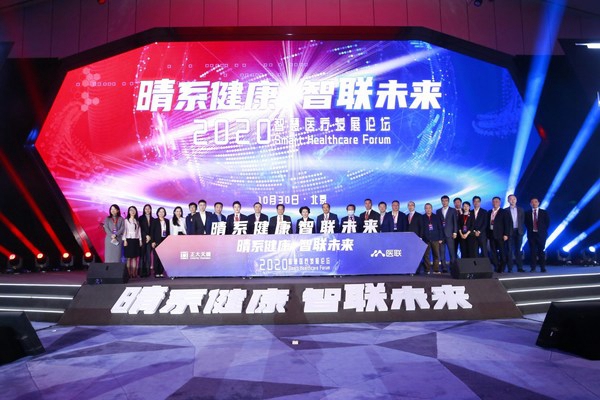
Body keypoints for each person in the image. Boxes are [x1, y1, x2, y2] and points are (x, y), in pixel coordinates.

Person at [524, 197, 549, 272]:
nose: (534, 203)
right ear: (530, 204)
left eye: (535, 202)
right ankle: (533, 268)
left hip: (541, 235)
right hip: (531, 235)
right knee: (532, 252)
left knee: (541, 251)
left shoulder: (544, 212)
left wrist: (542, 231)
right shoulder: (527, 213)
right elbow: (526, 223)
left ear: (538, 203)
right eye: (532, 202)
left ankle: (542, 267)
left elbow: (547, 223)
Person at [487, 196, 510, 273]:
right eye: (494, 201)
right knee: (493, 252)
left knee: (502, 251)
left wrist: (506, 234)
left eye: (497, 201)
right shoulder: (489, 212)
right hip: (491, 234)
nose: (495, 203)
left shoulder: (504, 212)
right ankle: (496, 266)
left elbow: (507, 224)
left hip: (501, 235)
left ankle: (502, 267)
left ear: (500, 202)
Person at [436, 195, 458, 272]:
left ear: (448, 201)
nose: (444, 202)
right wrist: (438, 235)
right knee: (442, 252)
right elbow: (437, 224)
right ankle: (444, 268)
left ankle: (453, 267)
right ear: (441, 202)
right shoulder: (438, 211)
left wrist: (455, 232)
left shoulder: (453, 210)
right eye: (443, 201)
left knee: (452, 252)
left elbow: (455, 222)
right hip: (441, 235)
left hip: (450, 234)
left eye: (446, 201)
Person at [504, 194, 525, 272]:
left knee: (518, 250)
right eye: (510, 199)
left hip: (518, 231)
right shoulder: (505, 210)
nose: (512, 201)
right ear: (508, 201)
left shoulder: (521, 210)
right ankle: (510, 268)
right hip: (509, 232)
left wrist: (521, 230)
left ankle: (520, 267)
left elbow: (522, 220)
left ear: (516, 200)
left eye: (514, 199)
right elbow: (504, 223)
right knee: (509, 250)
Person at [422, 203, 444, 274]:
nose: (428, 209)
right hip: (426, 239)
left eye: (429, 208)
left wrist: (440, 238)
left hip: (436, 238)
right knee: (426, 255)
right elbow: (421, 229)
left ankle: (436, 269)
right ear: (425, 209)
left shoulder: (436, 217)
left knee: (436, 255)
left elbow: (440, 228)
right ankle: (427, 269)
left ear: (431, 209)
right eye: (426, 208)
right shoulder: (422, 217)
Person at [122, 205, 141, 278]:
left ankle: (134, 273)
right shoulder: (126, 220)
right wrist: (125, 240)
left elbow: (139, 231)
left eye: (134, 210)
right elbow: (125, 230)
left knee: (135, 258)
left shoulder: (137, 221)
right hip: (128, 240)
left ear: (136, 212)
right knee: (128, 258)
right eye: (131, 210)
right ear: (129, 212)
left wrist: (140, 240)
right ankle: (128, 273)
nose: (132, 211)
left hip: (135, 240)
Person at [150, 207, 169, 278]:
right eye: (160, 212)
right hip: (156, 240)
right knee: (156, 257)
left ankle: (161, 272)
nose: (161, 213)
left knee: (163, 257)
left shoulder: (167, 221)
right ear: (157, 213)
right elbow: (152, 232)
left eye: (163, 212)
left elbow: (168, 231)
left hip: (164, 240)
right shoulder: (155, 221)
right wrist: (152, 241)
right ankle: (156, 272)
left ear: (165, 213)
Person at [138, 204, 154, 277]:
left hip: (149, 240)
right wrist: (146, 235)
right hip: (142, 239)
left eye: (149, 209)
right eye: (146, 209)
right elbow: (139, 229)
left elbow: (153, 230)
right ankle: (141, 272)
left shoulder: (153, 219)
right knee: (142, 256)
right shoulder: (140, 218)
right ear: (144, 210)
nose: (147, 210)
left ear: (150, 210)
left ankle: (148, 272)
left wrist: (150, 237)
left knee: (148, 256)